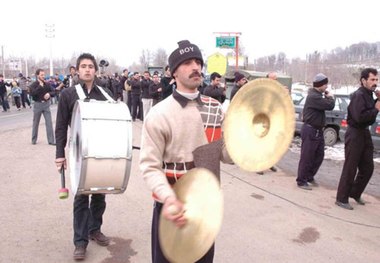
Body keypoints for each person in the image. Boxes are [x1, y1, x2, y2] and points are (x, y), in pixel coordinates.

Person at [139, 40, 232, 263]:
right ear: (173, 72)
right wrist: (169, 198)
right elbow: (150, 166)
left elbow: (226, 154)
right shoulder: (159, 114)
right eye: (188, 63)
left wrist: (249, 144)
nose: (196, 68)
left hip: (205, 206)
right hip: (172, 207)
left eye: (198, 62)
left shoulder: (214, 107)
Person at [55, 53, 113, 260]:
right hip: (79, 151)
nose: (87, 69)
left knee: (100, 193)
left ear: (95, 71)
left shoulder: (105, 93)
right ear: (77, 70)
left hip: (101, 150)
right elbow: (61, 126)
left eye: (91, 66)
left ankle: (94, 229)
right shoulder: (68, 95)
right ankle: (80, 242)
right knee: (81, 197)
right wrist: (59, 154)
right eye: (84, 66)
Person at [335, 68, 380, 210]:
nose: (375, 83)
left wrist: (377, 100)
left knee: (368, 167)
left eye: (376, 80)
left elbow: (368, 114)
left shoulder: (369, 94)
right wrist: (376, 108)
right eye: (372, 80)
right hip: (354, 133)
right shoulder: (358, 95)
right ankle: (341, 198)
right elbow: (359, 117)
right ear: (363, 80)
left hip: (364, 133)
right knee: (350, 167)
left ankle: (354, 192)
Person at [296, 73, 335, 190]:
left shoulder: (318, 95)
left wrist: (327, 96)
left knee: (319, 156)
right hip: (310, 130)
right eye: (325, 84)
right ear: (320, 85)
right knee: (307, 157)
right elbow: (330, 105)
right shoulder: (313, 96)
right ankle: (301, 180)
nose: (327, 87)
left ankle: (309, 176)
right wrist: (331, 97)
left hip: (318, 130)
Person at [29, 69, 55, 145]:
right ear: (37, 75)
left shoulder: (47, 84)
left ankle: (51, 141)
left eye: (44, 75)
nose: (43, 76)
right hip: (37, 105)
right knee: (36, 123)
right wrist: (40, 86)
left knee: (49, 122)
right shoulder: (33, 85)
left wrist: (49, 94)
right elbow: (33, 94)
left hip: (46, 105)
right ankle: (34, 140)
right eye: (41, 75)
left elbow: (54, 92)